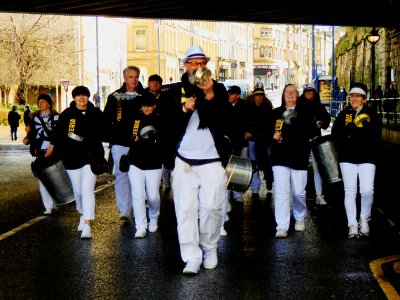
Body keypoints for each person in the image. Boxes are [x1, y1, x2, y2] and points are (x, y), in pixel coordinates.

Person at [167, 45, 233, 274]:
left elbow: (226, 119)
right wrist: (183, 109)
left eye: (201, 63)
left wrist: (210, 94)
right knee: (185, 210)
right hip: (184, 160)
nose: (197, 67)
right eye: (192, 63)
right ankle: (191, 256)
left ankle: (209, 247)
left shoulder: (219, 89)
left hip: (212, 160)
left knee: (212, 208)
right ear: (185, 66)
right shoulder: (175, 92)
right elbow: (166, 125)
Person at [331, 83, 382, 238]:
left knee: (367, 191)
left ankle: (364, 218)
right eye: (352, 96)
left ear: (364, 100)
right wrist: (347, 137)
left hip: (367, 157)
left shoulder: (371, 114)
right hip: (347, 158)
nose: (354, 99)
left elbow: (376, 135)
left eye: (357, 96)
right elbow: (336, 134)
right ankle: (352, 225)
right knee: (350, 192)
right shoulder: (344, 114)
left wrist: (360, 132)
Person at [55, 86, 105, 239]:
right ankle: (82, 214)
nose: (82, 98)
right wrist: (61, 152)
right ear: (74, 98)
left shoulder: (96, 113)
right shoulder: (67, 114)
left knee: (87, 189)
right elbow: (58, 135)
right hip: (72, 158)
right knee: (77, 191)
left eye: (84, 95)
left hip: (91, 157)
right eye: (78, 96)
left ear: (88, 97)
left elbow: (104, 131)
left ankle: (88, 224)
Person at [270, 84, 314, 238]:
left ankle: (300, 217)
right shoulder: (275, 113)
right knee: (282, 193)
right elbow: (266, 131)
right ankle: (281, 226)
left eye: (293, 92)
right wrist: (272, 136)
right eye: (287, 91)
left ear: (297, 95)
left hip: (299, 157)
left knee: (299, 192)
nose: (290, 94)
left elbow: (312, 131)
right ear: (283, 95)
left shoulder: (305, 112)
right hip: (280, 157)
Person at [103, 66, 145, 222]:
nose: (134, 80)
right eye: (131, 77)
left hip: (140, 141)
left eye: (136, 76)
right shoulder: (115, 97)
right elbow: (106, 119)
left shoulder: (144, 96)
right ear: (125, 78)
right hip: (120, 142)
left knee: (140, 175)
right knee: (122, 175)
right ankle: (124, 210)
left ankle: (140, 205)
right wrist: (112, 136)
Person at [125, 92, 165, 238]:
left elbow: (164, 140)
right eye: (144, 106)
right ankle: (140, 226)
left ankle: (154, 216)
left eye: (149, 106)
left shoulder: (160, 118)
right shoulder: (135, 119)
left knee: (153, 196)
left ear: (154, 106)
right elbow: (128, 136)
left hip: (154, 162)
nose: (147, 109)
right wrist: (133, 138)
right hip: (135, 162)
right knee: (138, 195)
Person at [26, 94, 59, 215]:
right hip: (40, 152)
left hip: (54, 152)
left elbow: (58, 133)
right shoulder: (34, 118)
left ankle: (57, 200)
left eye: (43, 102)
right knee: (42, 179)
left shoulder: (56, 117)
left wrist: (52, 145)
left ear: (49, 104)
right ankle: (48, 206)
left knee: (56, 177)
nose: (40, 104)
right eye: (39, 102)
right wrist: (29, 142)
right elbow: (32, 135)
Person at [299, 82, 331, 205]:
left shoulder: (319, 106)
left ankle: (319, 194)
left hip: (316, 139)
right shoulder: (299, 105)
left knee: (318, 168)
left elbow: (326, 119)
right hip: (302, 140)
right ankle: (300, 193)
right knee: (301, 167)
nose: (308, 93)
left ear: (314, 93)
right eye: (307, 91)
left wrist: (321, 123)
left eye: (311, 91)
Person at [146, 73, 173, 192]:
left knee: (166, 161)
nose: (155, 85)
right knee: (153, 160)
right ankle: (156, 183)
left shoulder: (167, 97)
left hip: (165, 133)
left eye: (157, 83)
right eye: (152, 82)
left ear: (161, 85)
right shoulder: (143, 96)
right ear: (148, 84)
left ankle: (167, 183)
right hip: (149, 134)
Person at [246, 87, 274, 194]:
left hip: (265, 140)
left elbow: (271, 124)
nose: (260, 97)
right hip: (253, 139)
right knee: (254, 163)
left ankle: (268, 179)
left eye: (261, 95)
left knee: (267, 162)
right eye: (258, 96)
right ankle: (255, 187)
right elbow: (246, 123)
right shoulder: (249, 108)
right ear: (254, 97)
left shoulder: (268, 108)